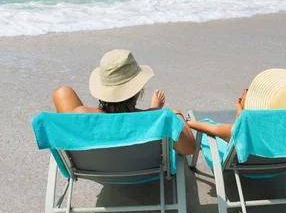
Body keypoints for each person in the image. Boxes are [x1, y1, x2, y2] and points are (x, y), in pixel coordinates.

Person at [52, 49, 196, 156]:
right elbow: (189, 148)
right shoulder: (156, 119)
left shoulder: (80, 115)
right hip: (144, 169)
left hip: (93, 166)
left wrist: (154, 111)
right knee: (172, 115)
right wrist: (174, 114)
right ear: (138, 90)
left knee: (63, 92)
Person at [187, 68, 286, 142]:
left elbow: (210, 128)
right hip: (283, 165)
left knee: (211, 136)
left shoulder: (248, 133)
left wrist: (188, 122)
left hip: (247, 168)